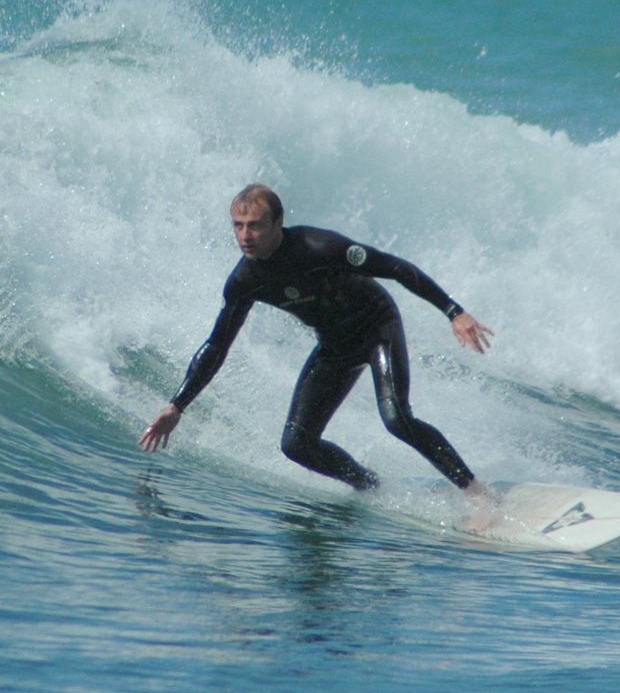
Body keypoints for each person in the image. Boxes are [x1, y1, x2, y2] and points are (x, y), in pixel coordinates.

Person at [139, 184, 495, 497]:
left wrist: (453, 311)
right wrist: (177, 405)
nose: (246, 235)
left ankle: (475, 491)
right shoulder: (246, 281)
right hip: (335, 347)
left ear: (278, 223)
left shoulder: (320, 247)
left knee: (397, 419)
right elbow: (218, 344)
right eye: (238, 226)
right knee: (297, 444)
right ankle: (371, 486)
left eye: (255, 226)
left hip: (376, 328)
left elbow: (395, 268)